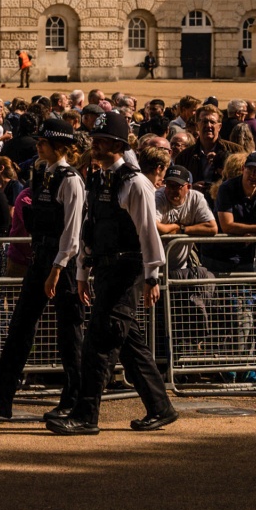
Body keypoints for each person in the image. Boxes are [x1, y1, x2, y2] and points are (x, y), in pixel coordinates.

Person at [47, 113, 177, 435]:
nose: (96, 145)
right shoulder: (97, 178)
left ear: (118, 145)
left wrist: (152, 278)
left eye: (102, 141)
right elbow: (91, 230)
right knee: (129, 343)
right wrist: (81, 271)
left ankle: (85, 416)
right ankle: (160, 406)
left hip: (127, 272)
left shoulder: (136, 184)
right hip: (105, 271)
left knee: (99, 342)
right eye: (95, 140)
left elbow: (149, 234)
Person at [0, 120, 85, 421]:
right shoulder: (42, 174)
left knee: (68, 333)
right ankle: (1, 395)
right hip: (40, 258)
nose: (38, 146)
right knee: (20, 324)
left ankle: (74, 400)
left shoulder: (70, 180)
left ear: (59, 147)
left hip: (61, 264)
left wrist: (57, 268)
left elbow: (72, 233)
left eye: (44, 142)